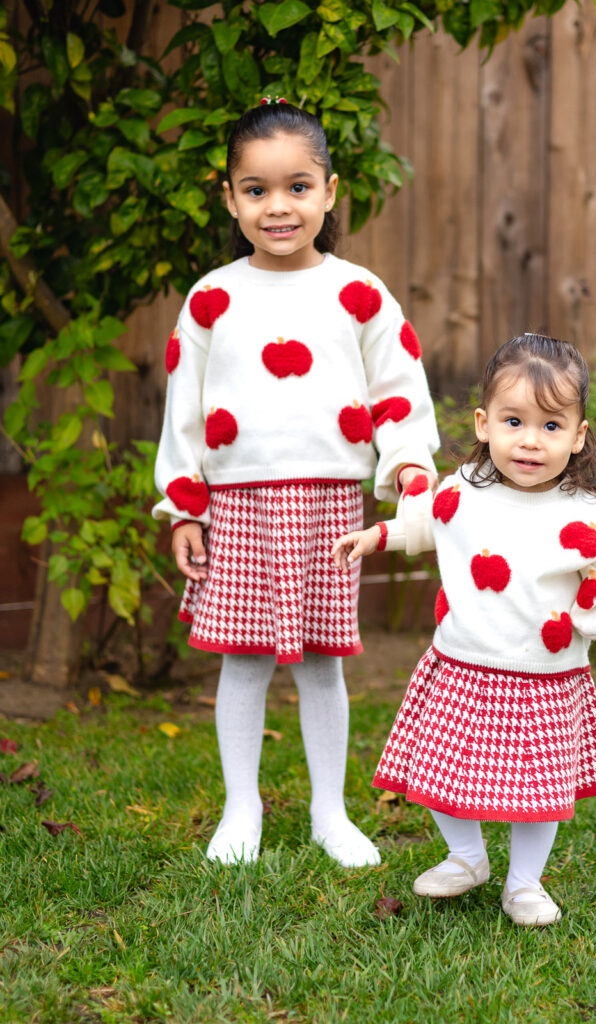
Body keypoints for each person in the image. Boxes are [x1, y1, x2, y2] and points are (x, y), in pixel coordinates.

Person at [153, 98, 439, 869]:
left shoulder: (361, 293)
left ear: (330, 191)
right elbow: (183, 407)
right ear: (230, 198)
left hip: (327, 506)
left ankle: (328, 811)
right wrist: (184, 504)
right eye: (256, 189)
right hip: (239, 505)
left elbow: (399, 390)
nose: (277, 206)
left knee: (322, 661)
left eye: (297, 187)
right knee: (241, 659)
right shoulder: (212, 297)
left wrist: (409, 466)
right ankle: (240, 808)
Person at [332, 333, 596, 925]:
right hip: (460, 665)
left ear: (579, 435)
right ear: (485, 424)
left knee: (536, 795)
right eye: (515, 421)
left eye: (552, 426)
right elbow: (430, 526)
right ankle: (466, 856)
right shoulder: (463, 491)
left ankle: (525, 884)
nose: (531, 441)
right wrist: (378, 536)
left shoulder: (586, 519)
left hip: (542, 675)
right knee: (438, 768)